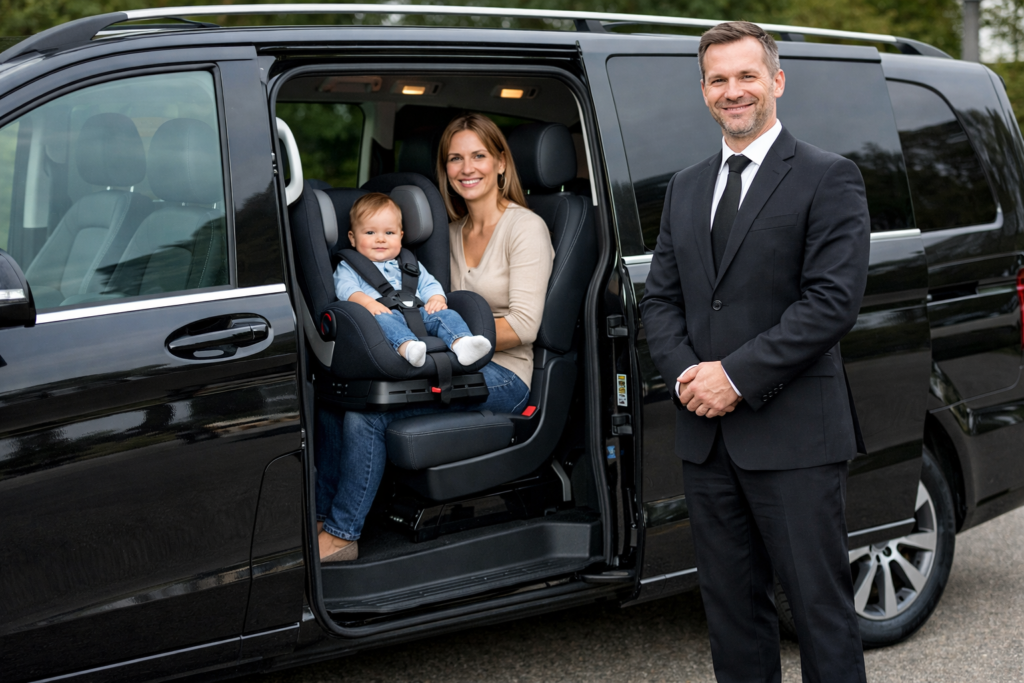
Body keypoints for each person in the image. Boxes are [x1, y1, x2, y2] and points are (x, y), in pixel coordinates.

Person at [640, 21, 870, 683]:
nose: (732, 90)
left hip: (794, 438)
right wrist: (688, 372)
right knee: (731, 613)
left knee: (819, 611)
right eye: (718, 79)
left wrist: (735, 376)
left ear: (776, 81)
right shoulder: (685, 186)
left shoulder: (829, 176)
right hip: (707, 440)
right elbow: (660, 300)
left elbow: (830, 303)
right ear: (704, 90)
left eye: (746, 76)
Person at [316, 113, 554, 563]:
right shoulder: (444, 234)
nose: (467, 168)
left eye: (479, 156)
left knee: (368, 413)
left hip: (501, 374)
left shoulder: (525, 228)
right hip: (438, 359)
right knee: (339, 399)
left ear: (501, 162)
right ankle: (321, 517)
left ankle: (344, 535)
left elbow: (525, 326)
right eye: (455, 159)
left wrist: (441, 347)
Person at [334, 192, 492, 368]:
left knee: (447, 315)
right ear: (352, 238)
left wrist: (436, 299)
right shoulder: (349, 266)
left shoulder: (409, 264)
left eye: (389, 232)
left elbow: (428, 284)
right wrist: (368, 304)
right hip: (382, 315)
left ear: (401, 236)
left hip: (420, 313)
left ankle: (462, 343)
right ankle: (407, 347)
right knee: (383, 322)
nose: (380, 239)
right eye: (370, 232)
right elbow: (346, 290)